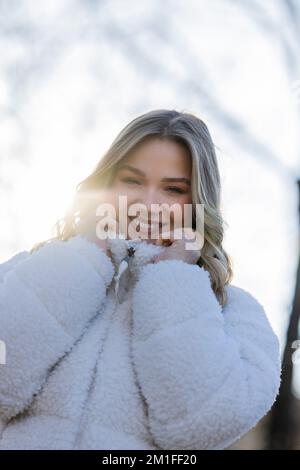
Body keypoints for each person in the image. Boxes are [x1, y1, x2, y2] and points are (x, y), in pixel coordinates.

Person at [0, 109, 281, 450]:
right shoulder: (26, 271)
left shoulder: (234, 312)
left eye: (173, 189)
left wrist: (173, 278)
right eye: (132, 181)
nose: (147, 203)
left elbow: (202, 426)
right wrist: (83, 259)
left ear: (198, 202)